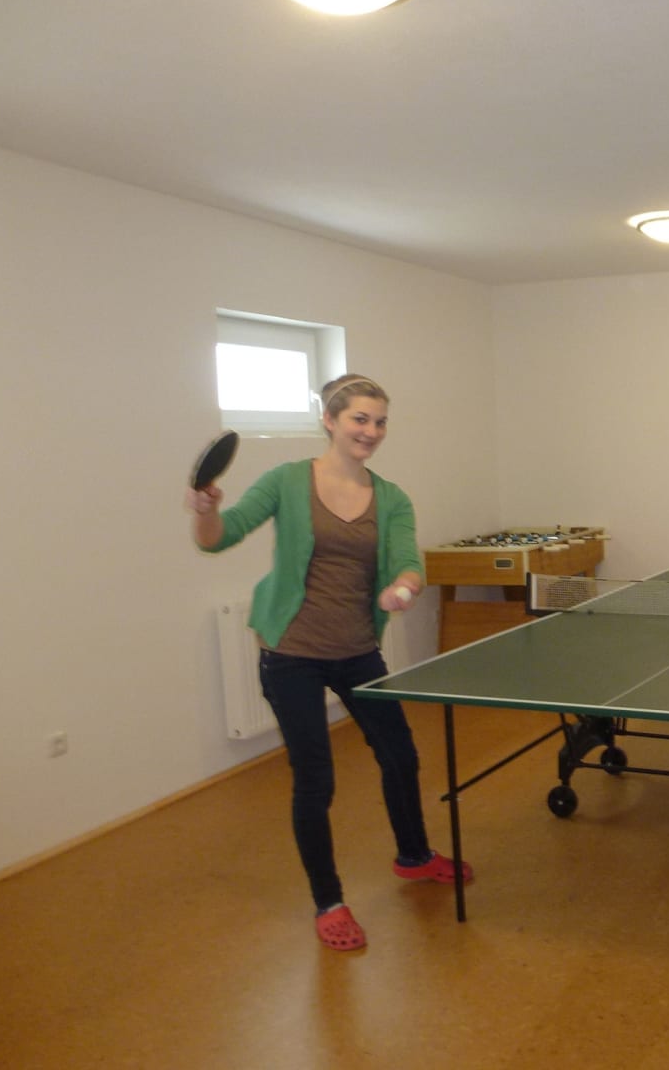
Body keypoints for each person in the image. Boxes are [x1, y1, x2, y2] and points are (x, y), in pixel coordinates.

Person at [185, 374, 470, 953]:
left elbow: (408, 560)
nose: (371, 431)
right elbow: (218, 537)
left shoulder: (391, 497)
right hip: (291, 655)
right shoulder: (287, 481)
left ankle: (414, 855)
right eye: (360, 418)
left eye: (380, 421)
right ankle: (329, 901)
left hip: (358, 649)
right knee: (316, 780)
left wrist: (403, 589)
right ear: (330, 420)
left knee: (400, 756)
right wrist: (205, 510)